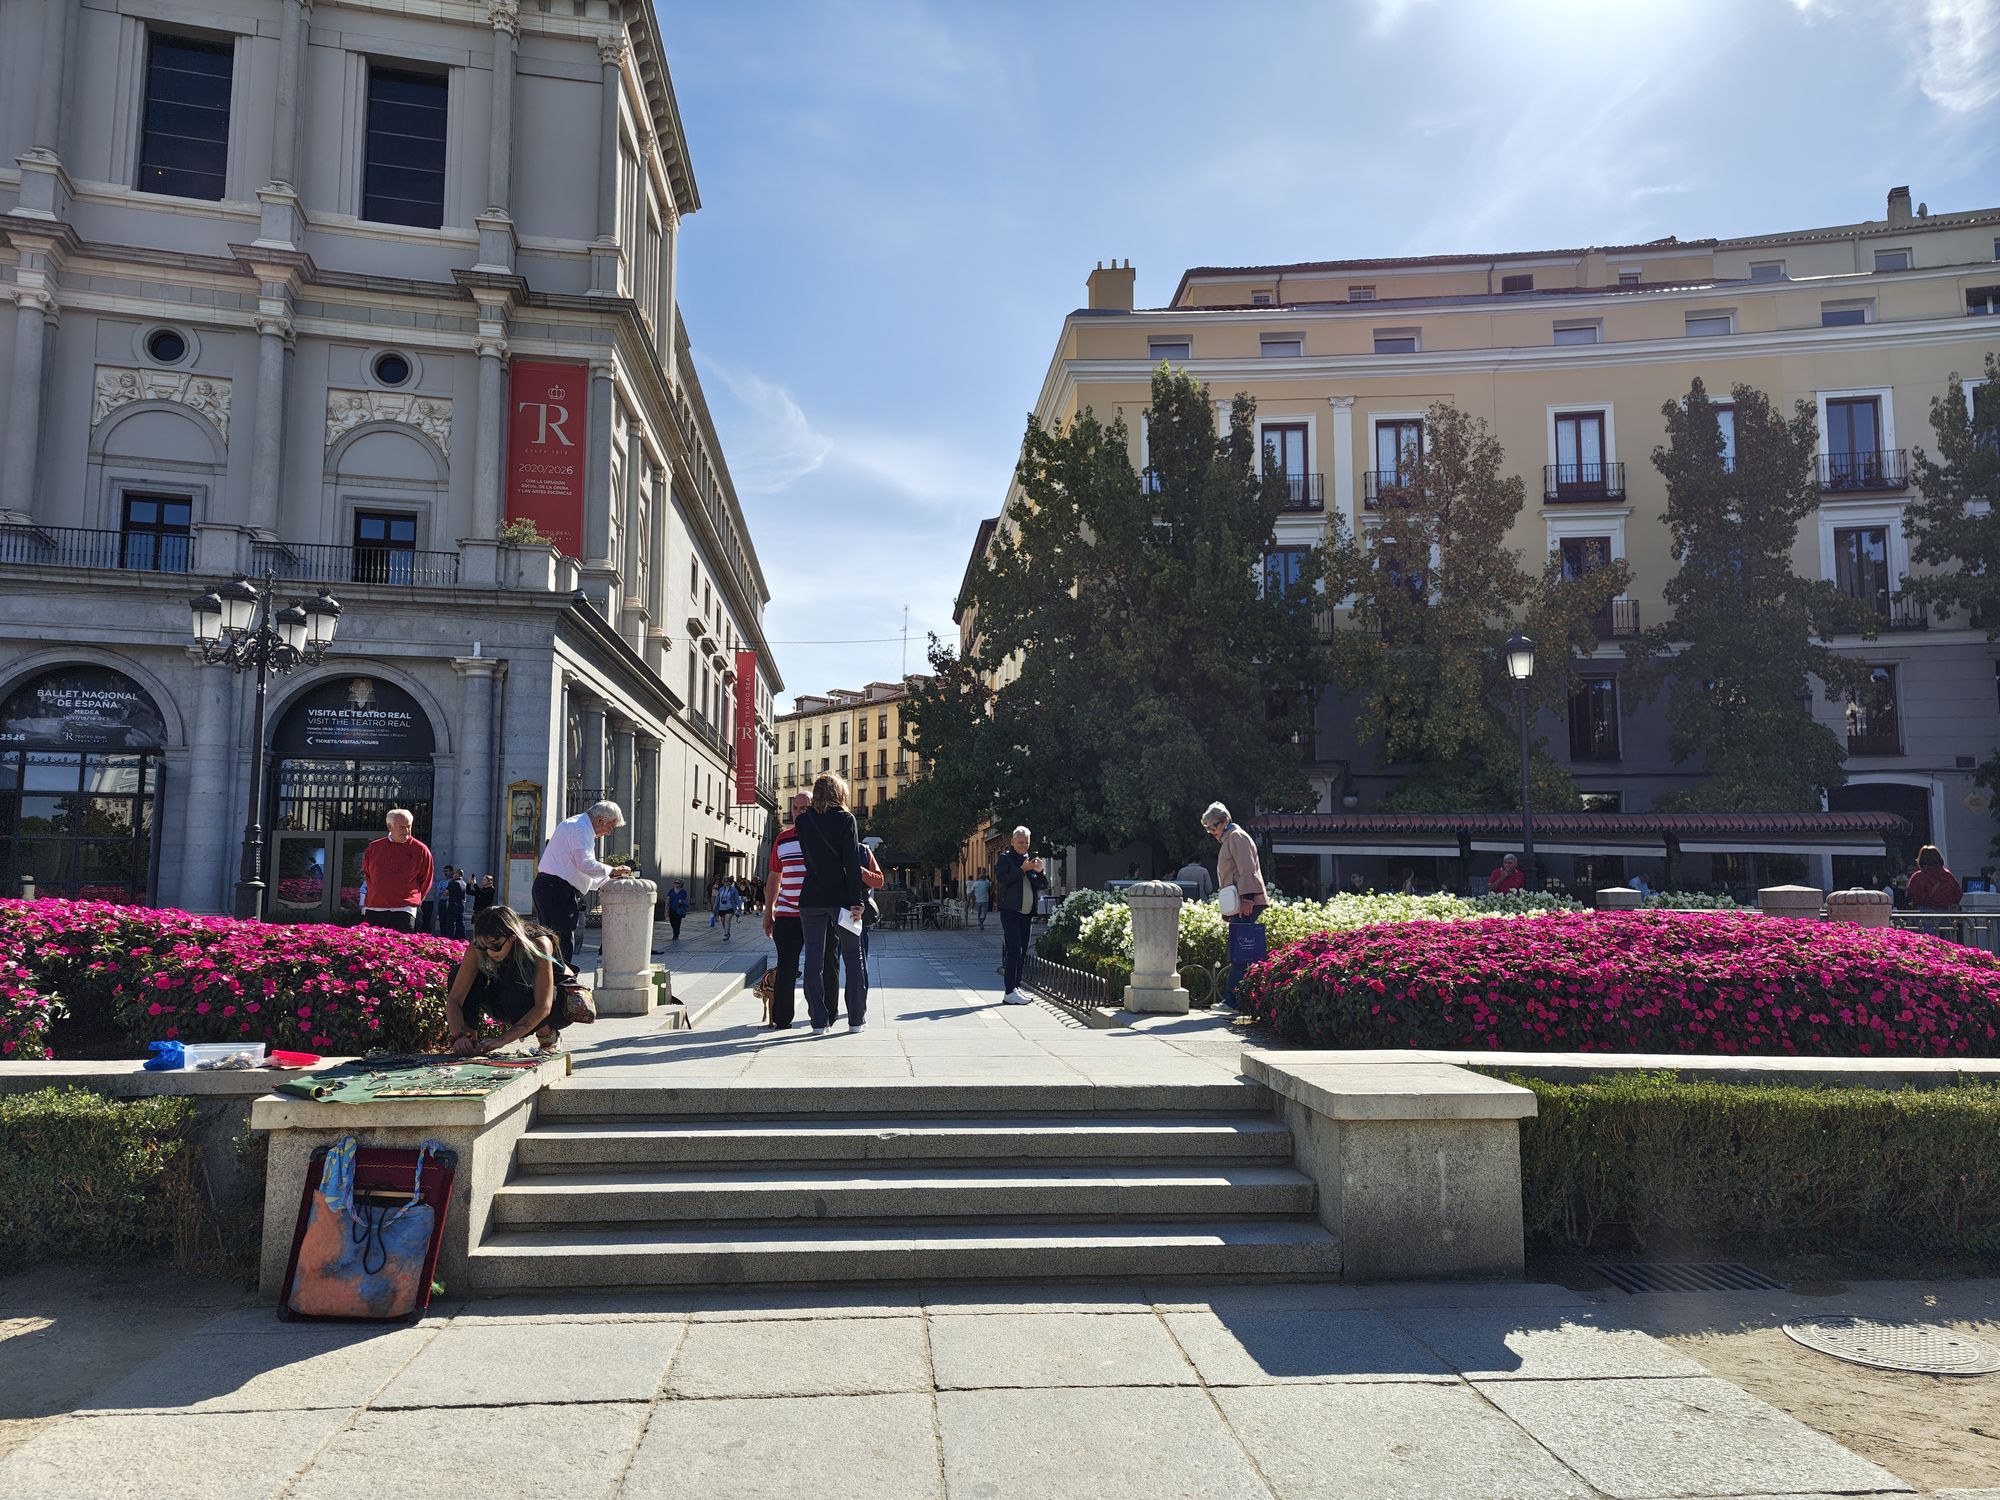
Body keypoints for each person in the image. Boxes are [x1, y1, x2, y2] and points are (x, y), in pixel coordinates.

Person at [443, 905, 568, 1055]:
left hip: (557, 1007)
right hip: (509, 1001)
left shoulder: (539, 943)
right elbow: (454, 999)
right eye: (484, 947)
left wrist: (502, 1040)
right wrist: (459, 1036)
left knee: (516, 983)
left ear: (512, 937)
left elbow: (543, 1006)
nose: (489, 952)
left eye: (496, 946)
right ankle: (471, 1041)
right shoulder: (479, 946)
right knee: (458, 973)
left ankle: (547, 1035)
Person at [796, 773, 867, 1034]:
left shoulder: (802, 821)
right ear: (840, 794)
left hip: (811, 897)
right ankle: (856, 1020)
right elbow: (851, 862)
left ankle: (818, 1021)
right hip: (841, 899)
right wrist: (857, 900)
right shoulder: (846, 819)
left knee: (813, 959)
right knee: (852, 957)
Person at [533, 800, 631, 967]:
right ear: (600, 820)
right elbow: (585, 864)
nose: (609, 833)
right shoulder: (581, 828)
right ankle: (561, 979)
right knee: (561, 941)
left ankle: (553, 977)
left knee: (552, 940)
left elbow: (580, 873)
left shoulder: (576, 824)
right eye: (610, 827)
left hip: (550, 886)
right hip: (557, 889)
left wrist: (607, 878)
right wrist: (612, 870)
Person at [1203, 801, 1268, 1009]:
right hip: (1241, 902)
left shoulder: (1236, 837)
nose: (1211, 832)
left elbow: (1247, 869)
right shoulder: (1231, 838)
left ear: (1224, 821)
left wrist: (1248, 898)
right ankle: (1241, 1000)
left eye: (1213, 827)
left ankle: (1234, 1001)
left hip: (1245, 901)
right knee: (1241, 952)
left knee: (1241, 952)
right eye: (1208, 829)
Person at [763, 793, 812, 1029]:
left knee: (817, 966)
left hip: (815, 914)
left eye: (805, 808)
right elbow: (774, 876)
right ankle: (782, 1019)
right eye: (795, 808)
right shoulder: (782, 839)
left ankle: (820, 1015)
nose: (799, 812)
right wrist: (768, 912)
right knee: (786, 967)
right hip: (786, 914)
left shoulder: (822, 838)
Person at [821, 845, 886, 1023]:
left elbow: (879, 880)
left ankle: (857, 1010)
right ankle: (829, 1013)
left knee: (858, 965)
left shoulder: (863, 850)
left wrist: (859, 870)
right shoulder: (826, 846)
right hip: (830, 915)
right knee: (829, 964)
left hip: (855, 916)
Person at [993, 826, 1047, 1005]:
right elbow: (1003, 880)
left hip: (1027, 913)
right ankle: (1009, 992)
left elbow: (1042, 885)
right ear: (1012, 842)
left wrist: (1040, 872)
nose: (1024, 845)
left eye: (1027, 843)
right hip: (1011, 912)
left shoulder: (1029, 860)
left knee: (1023, 952)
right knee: (1014, 950)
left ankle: (1016, 987)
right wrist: (1022, 869)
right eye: (1020, 842)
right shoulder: (1005, 859)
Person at [360, 809, 432, 933]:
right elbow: (368, 873)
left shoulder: (421, 850)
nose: (407, 830)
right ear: (389, 826)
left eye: (409, 826)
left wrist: (413, 899)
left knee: (403, 943)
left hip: (405, 909)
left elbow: (426, 879)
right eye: (402, 827)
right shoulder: (374, 848)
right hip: (375, 907)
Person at [1907, 845, 1963, 910]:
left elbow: (1911, 894)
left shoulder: (1918, 877)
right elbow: (1958, 894)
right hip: (1945, 910)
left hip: (1924, 911)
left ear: (1921, 859)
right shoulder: (1947, 876)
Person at [444, 866, 469, 939]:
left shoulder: (453, 882)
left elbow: (446, 893)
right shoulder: (464, 883)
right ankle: (462, 938)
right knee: (460, 922)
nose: (452, 875)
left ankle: (451, 938)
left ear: (458, 874)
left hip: (453, 904)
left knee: (450, 922)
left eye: (454, 873)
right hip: (461, 904)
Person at [714, 876, 741, 941]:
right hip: (721, 908)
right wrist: (715, 906)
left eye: (727, 881)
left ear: (730, 882)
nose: (726, 883)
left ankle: (726, 934)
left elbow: (737, 899)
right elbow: (717, 899)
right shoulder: (721, 889)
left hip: (730, 908)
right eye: (724, 881)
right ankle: (727, 932)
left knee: (727, 920)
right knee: (723, 921)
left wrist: (739, 907)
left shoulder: (734, 890)